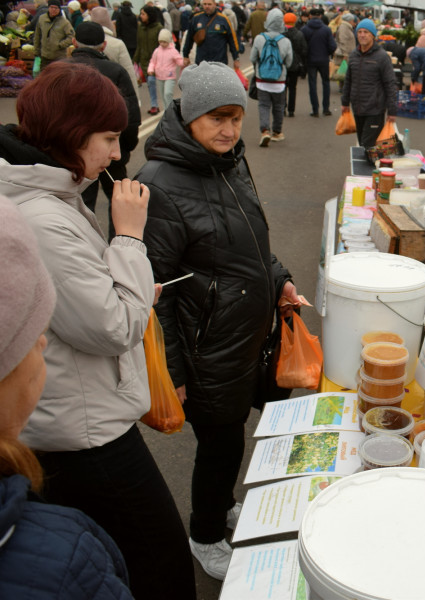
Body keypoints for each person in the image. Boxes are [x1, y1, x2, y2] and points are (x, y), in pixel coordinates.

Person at [0, 61, 196, 600]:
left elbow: (89, 301)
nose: (116, 154)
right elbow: (113, 327)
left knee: (124, 554)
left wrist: (125, 282)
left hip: (76, 416)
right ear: (70, 133)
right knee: (160, 561)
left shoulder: (55, 193)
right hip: (85, 434)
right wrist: (129, 237)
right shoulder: (43, 216)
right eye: (109, 138)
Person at [136, 61, 300, 581]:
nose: (229, 130)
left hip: (241, 335)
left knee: (232, 438)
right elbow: (152, 291)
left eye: (236, 117)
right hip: (203, 346)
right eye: (216, 119)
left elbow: (250, 244)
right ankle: (205, 534)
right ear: (187, 116)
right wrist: (173, 372)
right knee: (221, 443)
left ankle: (221, 504)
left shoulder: (229, 162)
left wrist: (280, 279)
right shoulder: (159, 183)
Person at [0, 194, 134, 600]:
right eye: (30, 333)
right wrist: (130, 241)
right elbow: (115, 326)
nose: (43, 342)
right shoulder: (67, 561)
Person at [71, 21, 141, 221]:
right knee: (118, 198)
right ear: (103, 45)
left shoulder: (57, 70)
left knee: (78, 202)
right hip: (110, 150)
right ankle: (117, 242)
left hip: (68, 151)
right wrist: (124, 148)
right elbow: (130, 117)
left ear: (74, 42)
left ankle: (81, 246)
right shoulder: (115, 71)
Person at [341, 18, 396, 156]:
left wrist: (392, 110)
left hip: (375, 109)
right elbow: (348, 80)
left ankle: (373, 174)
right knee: (362, 144)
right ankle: (369, 173)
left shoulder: (382, 57)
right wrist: (345, 102)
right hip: (357, 108)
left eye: (366, 32)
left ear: (373, 35)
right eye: (359, 32)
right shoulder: (354, 55)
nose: (362, 35)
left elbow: (390, 83)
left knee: (369, 146)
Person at [251, 8, 292, 147]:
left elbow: (252, 58)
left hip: (261, 79)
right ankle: (277, 132)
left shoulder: (259, 38)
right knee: (279, 106)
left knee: (263, 105)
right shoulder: (285, 41)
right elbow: (289, 62)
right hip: (279, 80)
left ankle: (264, 131)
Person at [90, 6, 140, 97]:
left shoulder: (84, 42)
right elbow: (129, 71)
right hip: (116, 93)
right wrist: (135, 99)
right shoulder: (117, 44)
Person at [182, 0, 241, 69]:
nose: (207, 6)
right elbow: (189, 38)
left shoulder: (223, 19)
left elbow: (232, 40)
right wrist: (185, 55)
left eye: (209, 4)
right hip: (201, 62)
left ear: (214, 5)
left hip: (220, 62)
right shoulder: (196, 19)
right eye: (205, 4)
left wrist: (236, 58)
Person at [302, 7, 336, 117]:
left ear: (310, 16)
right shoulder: (326, 29)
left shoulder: (305, 29)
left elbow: (302, 46)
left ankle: (315, 109)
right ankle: (326, 108)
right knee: (326, 83)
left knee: (312, 85)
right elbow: (332, 46)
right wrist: (328, 53)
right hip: (323, 60)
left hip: (310, 60)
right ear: (320, 16)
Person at [133, 4, 162, 114]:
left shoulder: (158, 28)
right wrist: (135, 59)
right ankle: (154, 105)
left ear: (149, 15)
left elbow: (162, 45)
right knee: (150, 84)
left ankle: (155, 104)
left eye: (143, 14)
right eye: (141, 14)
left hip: (156, 61)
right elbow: (139, 44)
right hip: (144, 60)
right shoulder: (140, 28)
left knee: (151, 82)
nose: (141, 16)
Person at [148, 29, 184, 113]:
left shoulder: (173, 51)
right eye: (160, 42)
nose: (162, 44)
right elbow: (152, 61)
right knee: (162, 95)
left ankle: (170, 110)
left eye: (164, 42)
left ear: (168, 41)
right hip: (159, 76)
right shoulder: (157, 51)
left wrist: (184, 62)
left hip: (169, 76)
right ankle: (166, 111)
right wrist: (150, 69)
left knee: (167, 93)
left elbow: (179, 61)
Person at [33, 0, 74, 69]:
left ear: (59, 9)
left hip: (59, 57)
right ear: (48, 8)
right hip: (44, 56)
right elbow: (37, 35)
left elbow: (71, 36)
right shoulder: (42, 19)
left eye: (56, 8)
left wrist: (60, 45)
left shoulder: (64, 22)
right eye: (51, 7)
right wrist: (36, 50)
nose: (53, 10)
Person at [282, 10, 308, 118]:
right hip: (295, 64)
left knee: (282, 87)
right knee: (293, 87)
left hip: (282, 64)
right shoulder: (299, 33)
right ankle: (291, 110)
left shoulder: (281, 34)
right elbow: (304, 50)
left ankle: (282, 107)